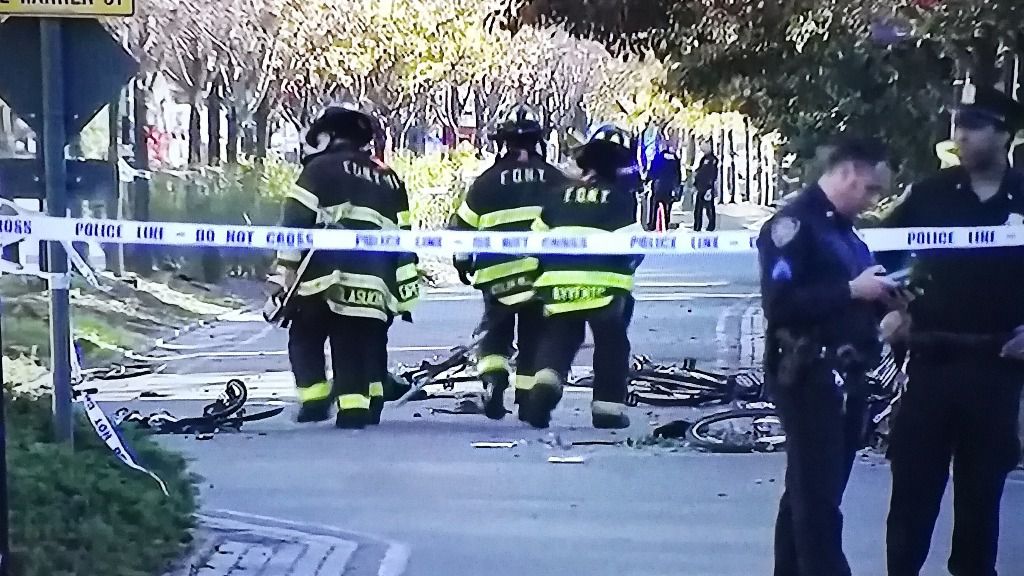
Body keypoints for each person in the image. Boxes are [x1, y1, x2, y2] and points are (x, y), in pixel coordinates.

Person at [876, 84, 1024, 576]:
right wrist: (892, 306)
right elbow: (881, 255)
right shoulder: (930, 194)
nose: (960, 135)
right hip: (930, 361)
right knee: (913, 494)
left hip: (998, 365)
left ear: (1005, 134)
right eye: (957, 124)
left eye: (974, 125)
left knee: (981, 499)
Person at [757, 137, 902, 576]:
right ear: (848, 173)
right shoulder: (794, 226)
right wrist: (851, 291)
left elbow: (855, 295)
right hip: (808, 374)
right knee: (817, 497)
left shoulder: (844, 232)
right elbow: (780, 304)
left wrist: (885, 296)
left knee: (809, 491)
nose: (873, 199)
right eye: (871, 189)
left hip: (847, 375)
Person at [269, 102, 418, 429]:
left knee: (305, 335)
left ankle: (314, 401)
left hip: (321, 276)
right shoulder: (390, 178)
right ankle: (355, 408)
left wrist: (283, 274)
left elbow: (295, 222)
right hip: (374, 281)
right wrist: (403, 292)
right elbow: (404, 238)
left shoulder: (319, 169)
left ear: (329, 136)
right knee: (354, 341)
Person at [450, 104, 567, 420]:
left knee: (495, 333)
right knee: (534, 337)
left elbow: (463, 227)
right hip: (542, 276)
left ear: (503, 143)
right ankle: (529, 401)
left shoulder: (486, 181)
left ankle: (493, 380)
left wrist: (462, 263)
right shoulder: (557, 179)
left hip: (496, 274)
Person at [526, 124, 644, 430]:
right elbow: (635, 246)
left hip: (558, 284)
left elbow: (534, 241)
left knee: (560, 336)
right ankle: (607, 409)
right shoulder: (621, 199)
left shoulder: (556, 195)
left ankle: (546, 382)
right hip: (605, 288)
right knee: (612, 342)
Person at [648, 147, 682, 231]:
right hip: (669, 185)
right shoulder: (674, 158)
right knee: (667, 205)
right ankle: (666, 223)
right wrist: (676, 185)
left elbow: (652, 171)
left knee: (655, 204)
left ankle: (653, 224)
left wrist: (650, 178)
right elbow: (677, 173)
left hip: (658, 185)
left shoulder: (658, 157)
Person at [692, 140, 719, 232]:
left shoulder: (713, 160)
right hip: (700, 187)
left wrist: (710, 187)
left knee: (709, 208)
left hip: (707, 187)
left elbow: (712, 174)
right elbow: (700, 171)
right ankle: (697, 226)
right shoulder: (703, 159)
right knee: (698, 209)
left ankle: (711, 226)